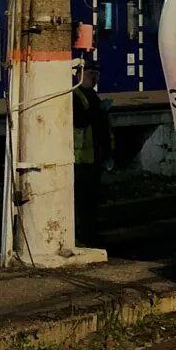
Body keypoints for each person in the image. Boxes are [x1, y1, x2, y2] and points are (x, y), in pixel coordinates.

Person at [72, 59, 112, 243]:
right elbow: (80, 120)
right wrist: (99, 110)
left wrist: (108, 153)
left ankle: (89, 232)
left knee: (91, 198)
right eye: (90, 74)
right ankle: (82, 233)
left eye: (97, 74)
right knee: (82, 199)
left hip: (94, 155)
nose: (94, 77)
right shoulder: (75, 96)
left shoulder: (92, 96)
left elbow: (103, 129)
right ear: (79, 75)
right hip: (80, 158)